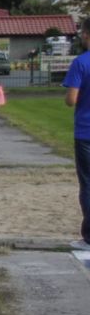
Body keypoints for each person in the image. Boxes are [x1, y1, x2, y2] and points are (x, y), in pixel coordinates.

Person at [63, 21, 90, 246]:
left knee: (88, 183)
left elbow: (71, 99)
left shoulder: (81, 62)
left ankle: (89, 235)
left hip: (85, 130)